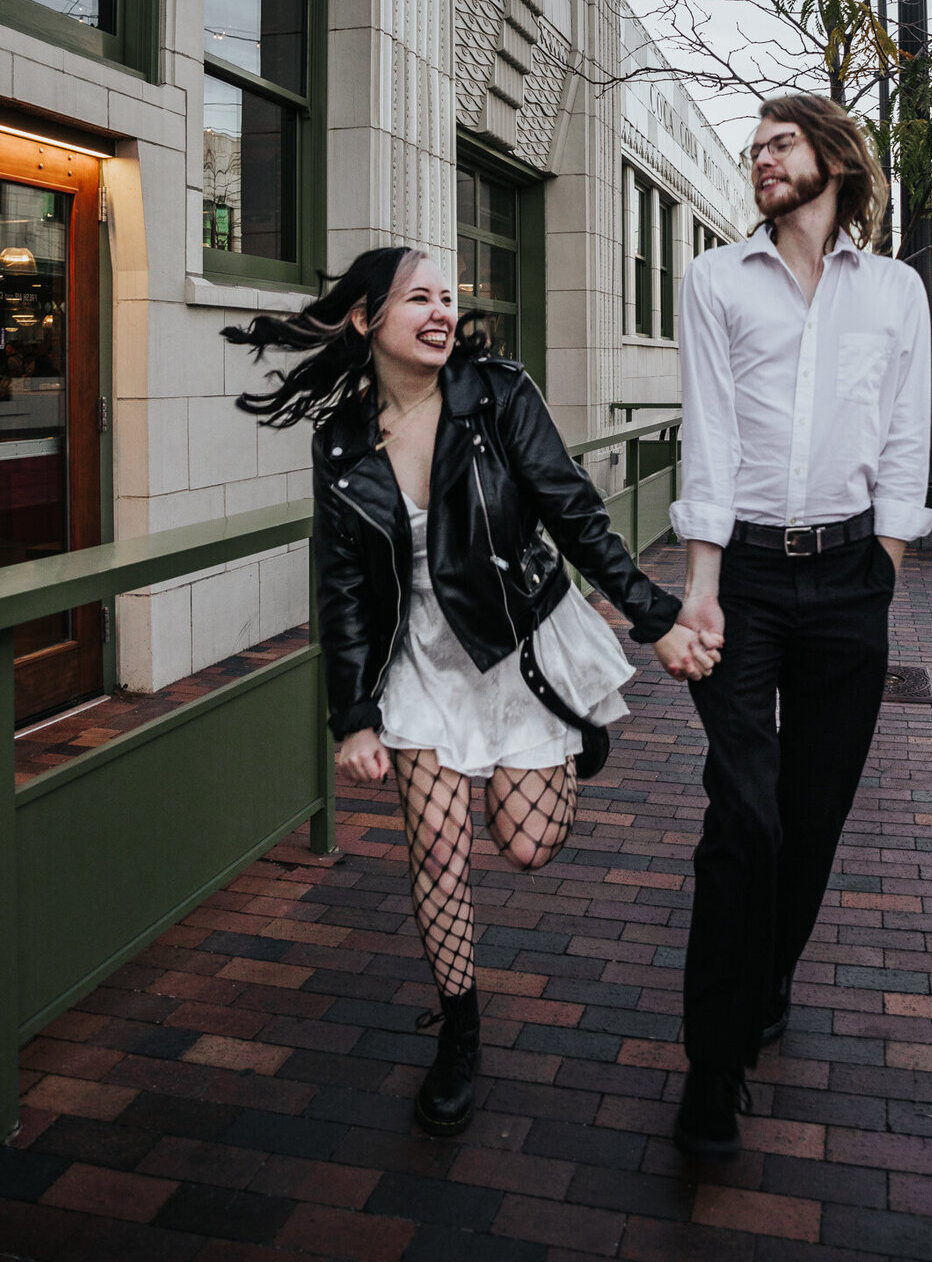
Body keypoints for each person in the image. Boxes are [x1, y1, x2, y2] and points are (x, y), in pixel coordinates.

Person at [225, 246, 712, 1138]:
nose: (442, 311)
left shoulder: (497, 395)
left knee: (528, 847)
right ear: (367, 318)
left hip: (518, 643)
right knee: (439, 855)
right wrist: (354, 715)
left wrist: (658, 616)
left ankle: (574, 728)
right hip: (419, 665)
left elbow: (575, 511)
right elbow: (340, 586)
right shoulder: (338, 443)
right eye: (419, 298)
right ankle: (458, 1032)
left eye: (448, 297)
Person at [669, 93, 932, 1158]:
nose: (760, 162)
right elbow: (710, 435)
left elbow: (908, 433)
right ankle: (712, 1067)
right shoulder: (711, 279)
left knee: (813, 819)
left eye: (778, 144)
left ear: (833, 156)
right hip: (741, 580)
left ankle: (767, 972)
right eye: (753, 151)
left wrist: (887, 565)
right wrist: (700, 588)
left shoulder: (898, 292)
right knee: (745, 821)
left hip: (850, 579)